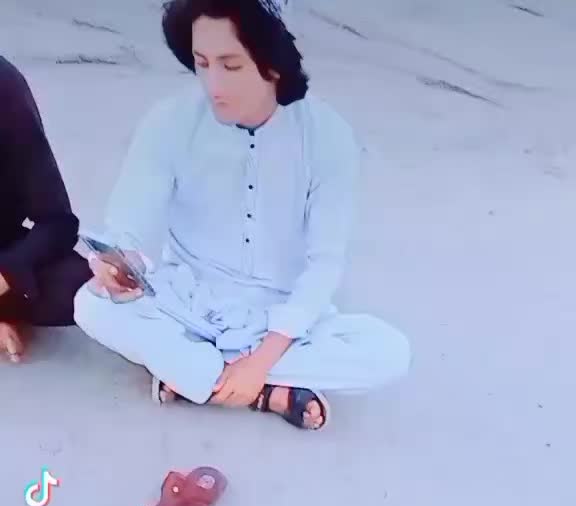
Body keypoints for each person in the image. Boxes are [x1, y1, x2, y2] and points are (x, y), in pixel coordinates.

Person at [74, 0, 410, 431]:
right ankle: (266, 393)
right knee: (91, 306)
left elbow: (324, 265)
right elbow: (129, 224)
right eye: (202, 63)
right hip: (189, 301)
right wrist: (121, 264)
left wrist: (262, 359)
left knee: (389, 353)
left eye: (230, 66)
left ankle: (193, 377)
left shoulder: (327, 136)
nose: (213, 83)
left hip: (279, 314)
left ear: (272, 64)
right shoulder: (169, 121)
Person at [0, 56, 91, 363]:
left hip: (5, 253)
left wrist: (8, 272)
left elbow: (58, 222)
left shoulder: (4, 86)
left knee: (85, 290)